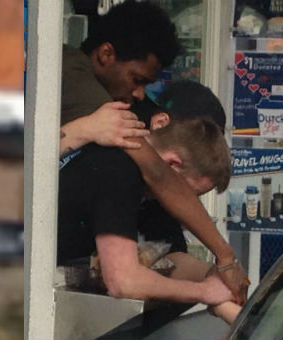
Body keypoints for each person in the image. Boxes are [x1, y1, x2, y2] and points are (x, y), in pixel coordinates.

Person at [57, 1, 248, 303]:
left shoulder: (124, 98)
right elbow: (157, 173)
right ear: (106, 55)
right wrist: (225, 257)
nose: (138, 94)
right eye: (138, 80)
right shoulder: (73, 79)